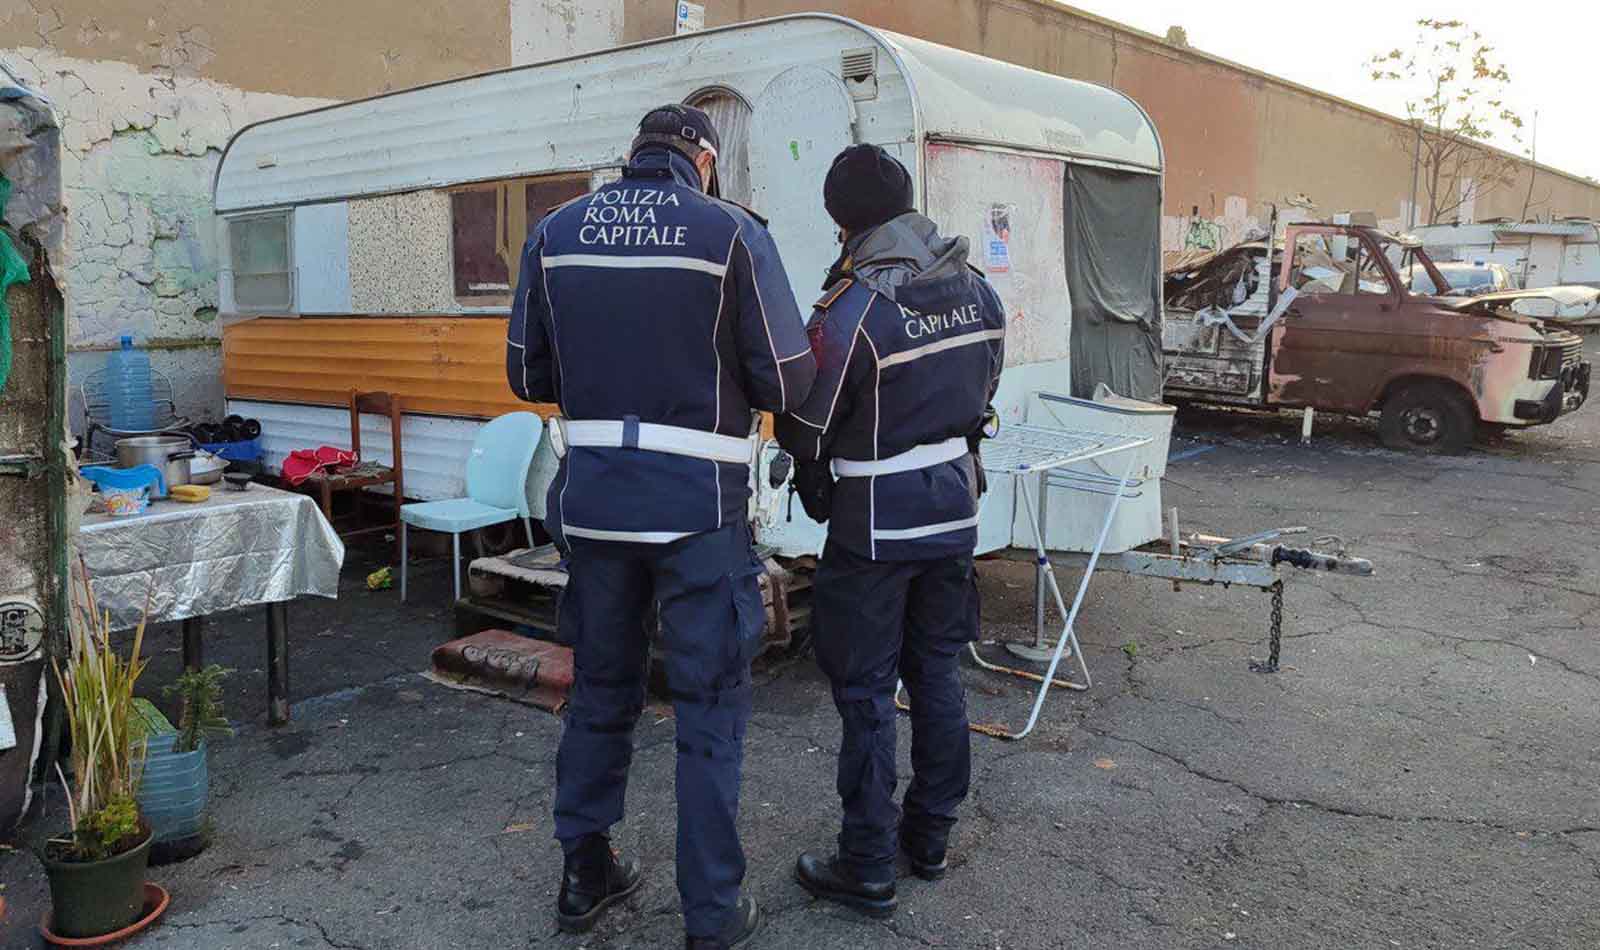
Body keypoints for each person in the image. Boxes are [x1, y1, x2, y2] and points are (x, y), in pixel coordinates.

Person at [506, 103, 816, 949]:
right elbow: (787, 379)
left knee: (601, 691)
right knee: (709, 706)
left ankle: (585, 874)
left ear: (634, 155)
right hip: (697, 513)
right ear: (704, 161)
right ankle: (711, 914)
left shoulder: (556, 230)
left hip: (597, 507)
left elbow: (525, 371)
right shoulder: (731, 233)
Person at [774, 144, 1005, 918]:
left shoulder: (857, 309)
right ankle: (929, 837)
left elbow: (808, 421)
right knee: (937, 673)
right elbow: (986, 388)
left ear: (843, 221)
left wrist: (804, 459)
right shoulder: (975, 288)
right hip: (955, 514)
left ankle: (867, 860)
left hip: (874, 528)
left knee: (867, 692)